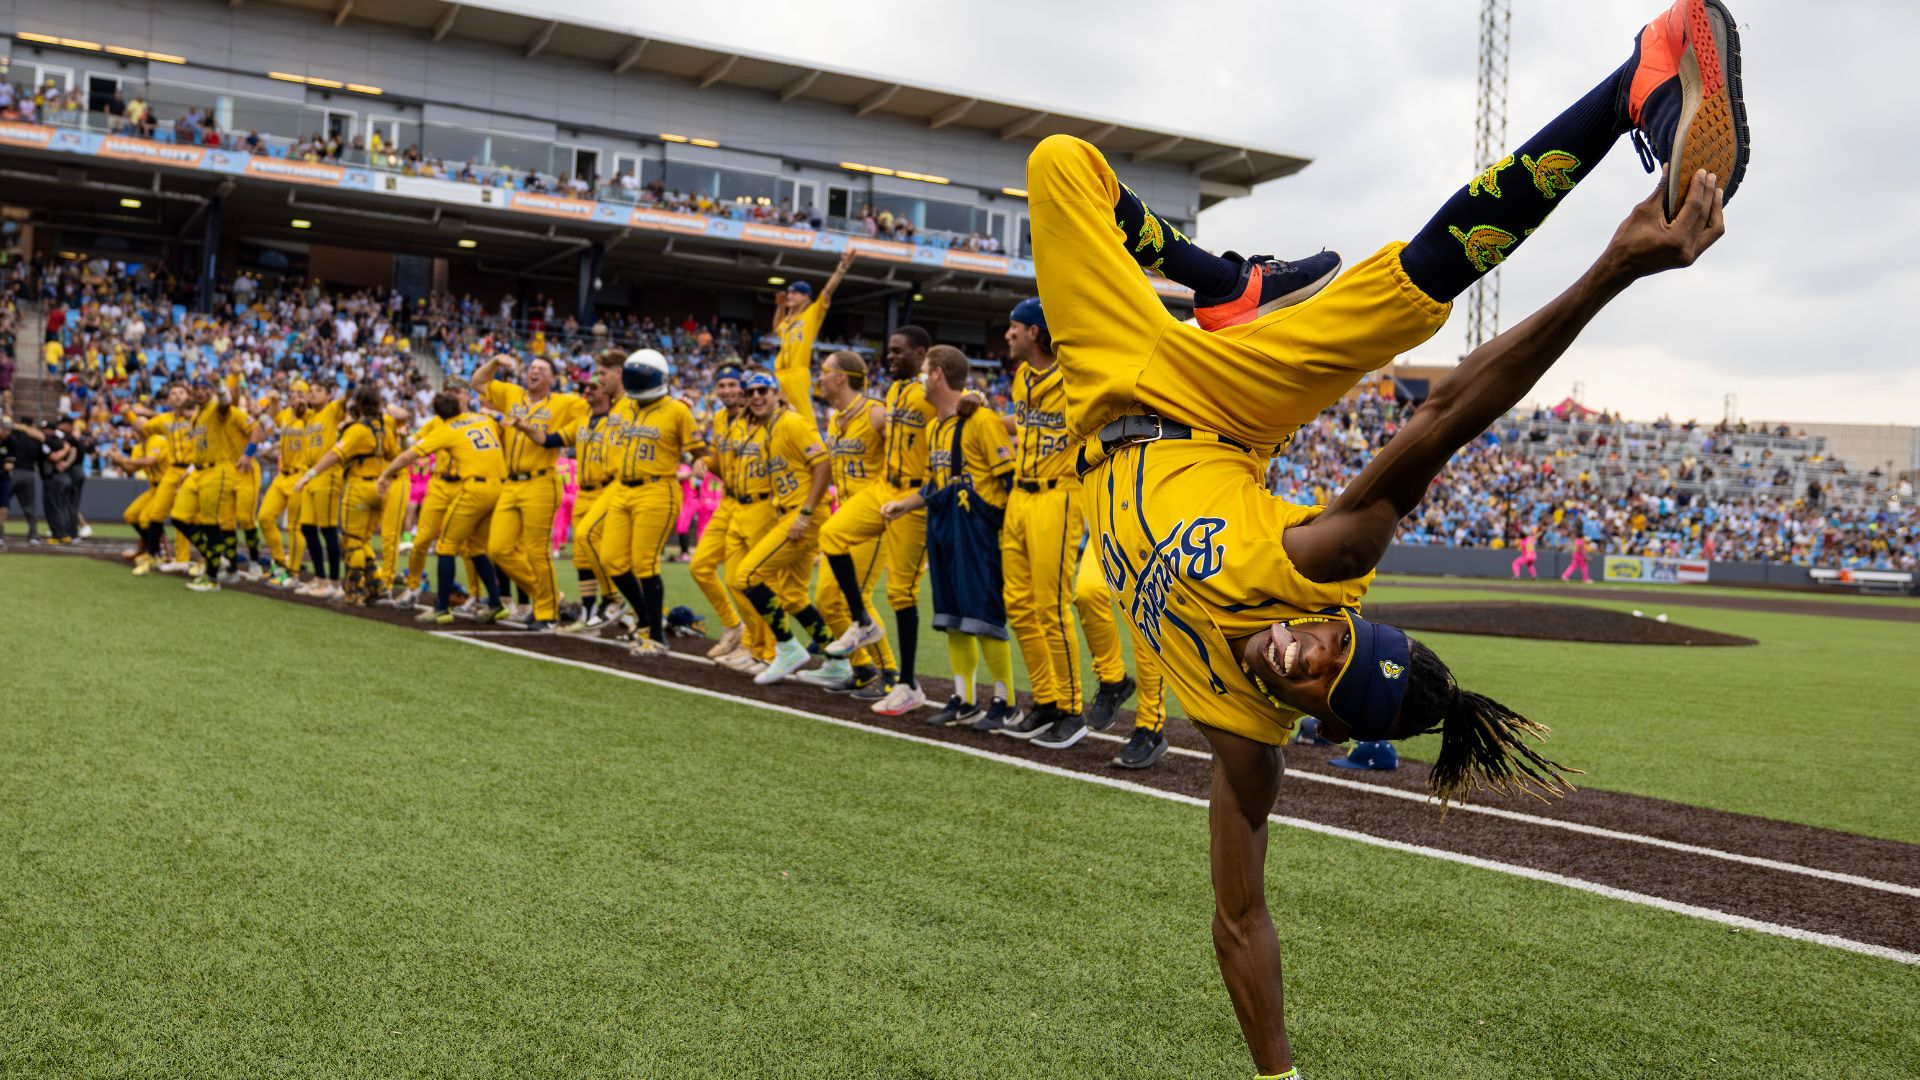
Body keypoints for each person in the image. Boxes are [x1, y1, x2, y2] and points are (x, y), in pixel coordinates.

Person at [1026, 0, 1744, 1071]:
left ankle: (1229, 290)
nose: (1304, 653)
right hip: (1223, 395)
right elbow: (1446, 414)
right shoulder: (1316, 569)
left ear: (1315, 718)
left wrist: (1280, 1073)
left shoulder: (1243, 740)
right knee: (1408, 297)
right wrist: (1611, 270)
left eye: (1316, 681)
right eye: (1330, 642)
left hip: (1104, 394)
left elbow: (1241, 921)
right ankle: (1639, 76)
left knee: (1055, 165)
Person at [880, 345, 1019, 727]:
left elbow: (1008, 479)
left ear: (938, 373)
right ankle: (965, 696)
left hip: (978, 529)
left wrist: (1008, 533)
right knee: (952, 615)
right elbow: (934, 483)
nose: (922, 380)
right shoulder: (935, 427)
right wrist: (904, 505)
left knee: (984, 613)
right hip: (945, 526)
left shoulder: (984, 421)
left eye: (925, 371)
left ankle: (1005, 701)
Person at [818, 326, 939, 714]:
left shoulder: (926, 391)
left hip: (914, 494)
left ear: (921, 353)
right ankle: (862, 623)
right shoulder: (893, 392)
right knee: (832, 534)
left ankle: (903, 680)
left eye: (898, 351)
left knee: (900, 594)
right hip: (884, 487)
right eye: (888, 351)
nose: (890, 357)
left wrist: (975, 396)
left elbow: (960, 399)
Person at [573, 349, 705, 654]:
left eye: (640, 377)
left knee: (645, 564)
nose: (635, 382)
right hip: (623, 489)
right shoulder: (624, 407)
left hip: (656, 488)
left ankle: (656, 636)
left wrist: (701, 464)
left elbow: (700, 451)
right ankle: (645, 620)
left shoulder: (677, 411)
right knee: (611, 560)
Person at [726, 369, 834, 685]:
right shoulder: (772, 428)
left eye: (763, 390)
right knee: (793, 596)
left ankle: (787, 648)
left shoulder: (791, 421)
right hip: (790, 513)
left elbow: (824, 463)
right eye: (751, 393)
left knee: (746, 575)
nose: (756, 397)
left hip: (802, 517)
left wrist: (804, 512)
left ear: (777, 394)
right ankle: (839, 660)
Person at [469, 353, 589, 632]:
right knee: (497, 549)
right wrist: (496, 363)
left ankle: (546, 612)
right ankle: (549, 598)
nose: (534, 371)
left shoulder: (563, 401)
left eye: (541, 369)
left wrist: (566, 434)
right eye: (532, 367)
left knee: (537, 550)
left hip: (540, 480)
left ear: (551, 378)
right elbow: (477, 381)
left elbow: (592, 413)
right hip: (511, 482)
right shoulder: (512, 394)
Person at [802, 350, 898, 694]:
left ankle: (889, 675)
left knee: (859, 596)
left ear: (841, 377)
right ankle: (864, 669)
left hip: (872, 519)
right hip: (844, 518)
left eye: (825, 371)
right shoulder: (836, 417)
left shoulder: (876, 413)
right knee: (828, 599)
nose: (820, 376)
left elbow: (908, 442)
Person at [375, 391, 509, 624]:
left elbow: (409, 454)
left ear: (439, 414)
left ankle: (442, 608)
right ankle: (496, 604)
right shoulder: (483, 419)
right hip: (500, 487)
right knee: (476, 549)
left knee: (445, 547)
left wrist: (385, 474)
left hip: (473, 488)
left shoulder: (446, 429)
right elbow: (503, 426)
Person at [1073, 532, 1170, 769]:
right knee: (1087, 592)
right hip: (1108, 520)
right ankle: (1113, 681)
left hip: (1153, 523)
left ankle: (1150, 728)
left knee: (1147, 621)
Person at [689, 366, 754, 659]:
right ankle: (733, 626)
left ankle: (752, 643)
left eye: (733, 384)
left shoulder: (756, 416)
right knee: (699, 566)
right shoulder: (718, 417)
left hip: (754, 503)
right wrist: (705, 463)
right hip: (728, 500)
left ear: (743, 387)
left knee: (741, 577)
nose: (727, 390)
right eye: (722, 385)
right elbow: (719, 457)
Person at [552, 370, 617, 632]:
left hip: (607, 490)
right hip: (584, 492)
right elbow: (552, 439)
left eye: (592, 387)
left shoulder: (617, 419)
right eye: (584, 387)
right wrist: (524, 427)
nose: (586, 391)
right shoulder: (583, 420)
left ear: (606, 390)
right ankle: (590, 615)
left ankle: (615, 603)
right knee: (581, 557)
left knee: (606, 554)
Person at [771, 249, 854, 431]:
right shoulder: (788, 320)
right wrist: (780, 307)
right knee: (777, 415)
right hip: (779, 373)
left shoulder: (811, 314)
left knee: (803, 416)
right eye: (789, 292)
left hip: (797, 373)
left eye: (795, 293)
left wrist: (842, 267)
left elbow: (827, 291)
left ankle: (817, 450)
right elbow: (777, 328)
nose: (790, 295)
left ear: (805, 296)